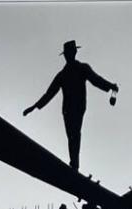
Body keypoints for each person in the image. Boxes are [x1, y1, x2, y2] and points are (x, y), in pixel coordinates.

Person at [23, 40, 118, 170]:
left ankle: (74, 164)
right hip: (68, 109)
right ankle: (74, 163)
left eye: (70, 53)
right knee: (72, 135)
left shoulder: (81, 68)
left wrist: (110, 86)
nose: (69, 55)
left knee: (74, 134)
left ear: (74, 53)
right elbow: (49, 93)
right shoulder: (62, 75)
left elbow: (96, 80)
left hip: (77, 107)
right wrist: (34, 106)